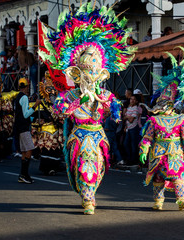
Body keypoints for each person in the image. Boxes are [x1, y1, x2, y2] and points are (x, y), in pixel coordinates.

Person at [38, 2, 135, 215]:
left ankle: (90, 194)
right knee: (83, 166)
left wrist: (110, 109)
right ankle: (88, 198)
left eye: (94, 73)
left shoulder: (104, 95)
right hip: (79, 137)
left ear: (101, 74)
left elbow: (118, 113)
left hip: (98, 136)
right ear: (76, 73)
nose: (90, 78)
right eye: (85, 73)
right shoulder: (68, 95)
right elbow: (59, 111)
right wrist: (77, 102)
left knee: (98, 166)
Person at [139, 47, 184, 211]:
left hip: (175, 152)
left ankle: (181, 201)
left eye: (164, 104)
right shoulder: (154, 120)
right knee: (158, 177)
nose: (161, 106)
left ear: (172, 105)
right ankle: (158, 200)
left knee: (178, 176)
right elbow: (148, 137)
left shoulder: (181, 119)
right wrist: (144, 149)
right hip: (158, 151)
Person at [14, 77, 41, 184]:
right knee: (29, 149)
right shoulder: (24, 97)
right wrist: (35, 105)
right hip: (23, 128)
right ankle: (24, 174)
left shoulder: (18, 97)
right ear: (26, 87)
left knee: (25, 151)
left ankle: (23, 175)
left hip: (19, 127)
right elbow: (25, 114)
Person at [123, 94, 141, 166]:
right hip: (128, 128)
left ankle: (133, 160)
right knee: (126, 144)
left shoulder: (136, 108)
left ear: (136, 101)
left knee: (133, 145)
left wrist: (127, 116)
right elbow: (124, 118)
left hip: (134, 128)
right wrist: (128, 117)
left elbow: (130, 120)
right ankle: (129, 158)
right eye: (131, 99)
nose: (132, 100)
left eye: (134, 99)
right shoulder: (129, 108)